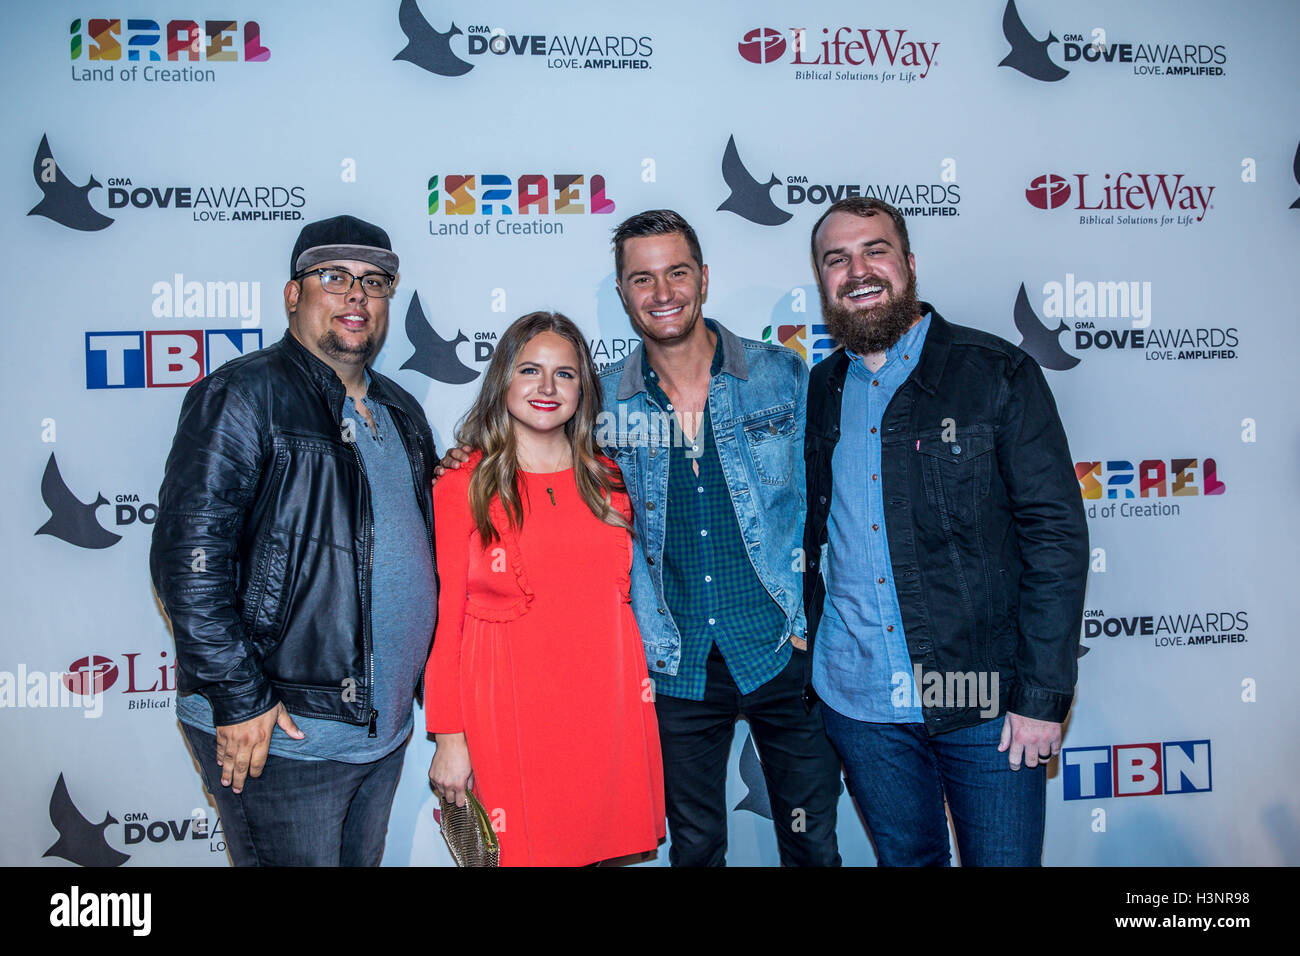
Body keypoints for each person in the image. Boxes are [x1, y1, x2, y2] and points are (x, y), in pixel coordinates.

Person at [802, 197, 1089, 866]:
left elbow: (1056, 537)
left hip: (983, 698)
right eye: (837, 259)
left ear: (909, 263)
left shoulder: (995, 374)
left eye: (875, 250)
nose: (858, 270)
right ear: (823, 282)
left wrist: (1042, 696)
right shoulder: (820, 389)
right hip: (861, 703)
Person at [150, 214, 438, 866]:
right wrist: (238, 695)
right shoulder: (243, 396)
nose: (356, 295)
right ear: (293, 294)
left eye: (373, 281)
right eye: (333, 277)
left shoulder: (401, 411)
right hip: (280, 735)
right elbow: (188, 562)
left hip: (379, 733)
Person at [600, 209, 842, 866]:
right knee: (697, 848)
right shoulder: (601, 403)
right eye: (642, 279)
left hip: (781, 647)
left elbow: (827, 503)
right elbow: (528, 461)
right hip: (677, 662)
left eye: (676, 272)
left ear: (702, 278)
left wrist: (810, 619)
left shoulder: (780, 375)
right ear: (623, 293)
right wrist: (466, 458)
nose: (662, 293)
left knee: (812, 843)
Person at [426, 311, 665, 867]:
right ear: (502, 381)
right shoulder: (463, 484)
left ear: (584, 388)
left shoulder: (611, 480)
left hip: (607, 704)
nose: (547, 388)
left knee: (596, 848)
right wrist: (448, 737)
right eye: (530, 370)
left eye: (566, 374)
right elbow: (446, 621)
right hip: (507, 705)